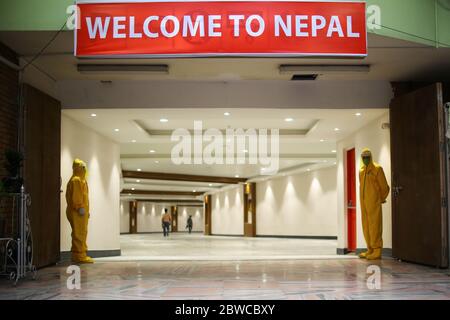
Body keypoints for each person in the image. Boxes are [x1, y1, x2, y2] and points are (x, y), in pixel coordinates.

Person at [359, 148, 390, 260]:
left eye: (367, 157)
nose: (365, 159)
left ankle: (377, 250)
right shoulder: (362, 171)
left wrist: (380, 199)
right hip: (363, 203)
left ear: (371, 157)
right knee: (366, 226)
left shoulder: (377, 169)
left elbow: (384, 187)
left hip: (374, 202)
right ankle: (370, 249)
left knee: (375, 226)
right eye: (363, 157)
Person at [66, 159, 94, 264]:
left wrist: (86, 211)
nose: (85, 170)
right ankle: (79, 256)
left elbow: (84, 197)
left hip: (80, 212)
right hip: (77, 212)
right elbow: (76, 197)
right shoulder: (76, 180)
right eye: (83, 168)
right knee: (79, 233)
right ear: (79, 168)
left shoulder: (80, 180)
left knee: (81, 232)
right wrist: (80, 208)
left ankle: (79, 254)